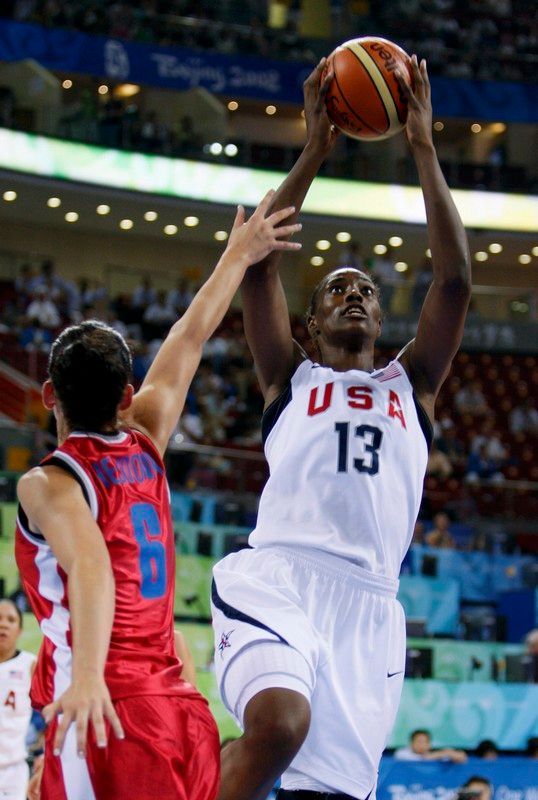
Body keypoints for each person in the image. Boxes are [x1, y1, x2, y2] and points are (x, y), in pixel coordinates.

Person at [211, 54, 471, 800]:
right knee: (280, 726)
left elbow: (453, 282)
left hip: (369, 611)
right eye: (336, 290)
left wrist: (423, 145)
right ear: (313, 321)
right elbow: (258, 267)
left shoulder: (411, 385)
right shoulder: (289, 380)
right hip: (281, 580)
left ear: (382, 320)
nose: (354, 295)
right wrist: (316, 147)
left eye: (366, 291)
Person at [14, 192, 302, 800]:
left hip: (109, 707)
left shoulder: (50, 482)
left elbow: (91, 567)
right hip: (178, 706)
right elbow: (189, 337)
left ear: (47, 396)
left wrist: (88, 678)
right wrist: (236, 256)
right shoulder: (146, 438)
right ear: (126, 394)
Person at [0, 597, 36, 800]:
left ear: (19, 630)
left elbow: (52, 712)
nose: (3, 624)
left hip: (12, 771)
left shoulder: (30, 665)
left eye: (11, 620)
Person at [394, 729, 467, 764]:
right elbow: (421, 759)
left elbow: (462, 758)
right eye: (419, 741)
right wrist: (441, 754)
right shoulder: (402, 753)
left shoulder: (437, 756)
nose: (421, 745)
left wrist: (448, 752)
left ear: (429, 744)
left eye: (425, 742)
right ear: (411, 743)